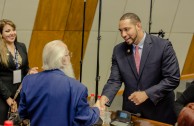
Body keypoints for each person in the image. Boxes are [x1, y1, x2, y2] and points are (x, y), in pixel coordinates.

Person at [99, 12, 180, 125]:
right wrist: (104, 98)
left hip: (159, 114)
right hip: (131, 114)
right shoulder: (118, 50)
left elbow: (172, 79)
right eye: (121, 30)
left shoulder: (163, 46)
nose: (123, 34)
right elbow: (114, 80)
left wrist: (147, 93)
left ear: (138, 26)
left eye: (127, 29)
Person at [18, 40, 101, 126]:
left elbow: (23, 114)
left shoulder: (28, 81)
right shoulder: (78, 88)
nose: (70, 57)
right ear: (63, 60)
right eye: (68, 54)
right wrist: (96, 109)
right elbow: (85, 118)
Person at [0, 19, 38, 124]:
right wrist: (8, 98)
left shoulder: (21, 46)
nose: (12, 33)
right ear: (1, 34)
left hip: (19, 93)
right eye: (7, 31)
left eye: (13, 30)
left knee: (19, 121)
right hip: (3, 95)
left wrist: (30, 71)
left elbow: (25, 68)